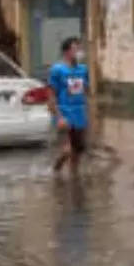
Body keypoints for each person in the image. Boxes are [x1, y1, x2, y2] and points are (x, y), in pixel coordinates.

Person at [47, 37, 89, 175]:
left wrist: (86, 113)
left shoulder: (83, 70)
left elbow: (85, 92)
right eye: (75, 49)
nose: (79, 52)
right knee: (67, 150)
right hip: (64, 113)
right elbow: (51, 95)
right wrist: (58, 117)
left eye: (79, 49)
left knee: (78, 151)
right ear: (66, 52)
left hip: (79, 115)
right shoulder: (57, 70)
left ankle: (74, 179)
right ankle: (55, 171)